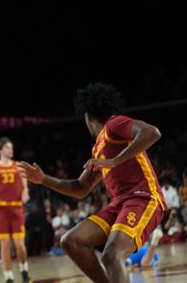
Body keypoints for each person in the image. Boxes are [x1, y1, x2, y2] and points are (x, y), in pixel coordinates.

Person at [19, 82, 166, 283]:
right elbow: (80, 188)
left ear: (88, 117)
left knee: (111, 254)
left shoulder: (114, 124)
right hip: (118, 204)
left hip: (144, 198)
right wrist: (44, 179)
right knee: (71, 241)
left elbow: (151, 132)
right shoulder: (97, 149)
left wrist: (113, 161)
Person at [0, 137, 30, 283]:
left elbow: (25, 188)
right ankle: (8, 277)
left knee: (20, 245)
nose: (11, 150)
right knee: (4, 245)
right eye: (8, 148)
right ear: (0, 150)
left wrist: (25, 194)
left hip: (16, 207)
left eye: (11, 147)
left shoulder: (18, 166)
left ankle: (24, 269)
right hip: (1, 209)